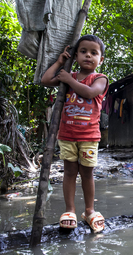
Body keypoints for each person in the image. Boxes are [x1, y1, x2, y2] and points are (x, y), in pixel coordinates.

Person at [41, 35, 109, 233]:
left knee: (87, 173)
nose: (88, 55)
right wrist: (60, 62)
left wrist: (68, 78)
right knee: (69, 172)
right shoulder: (66, 77)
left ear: (101, 59)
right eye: (83, 51)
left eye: (94, 53)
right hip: (67, 134)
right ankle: (69, 210)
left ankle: (89, 210)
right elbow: (45, 80)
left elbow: (89, 93)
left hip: (89, 136)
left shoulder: (99, 78)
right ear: (76, 55)